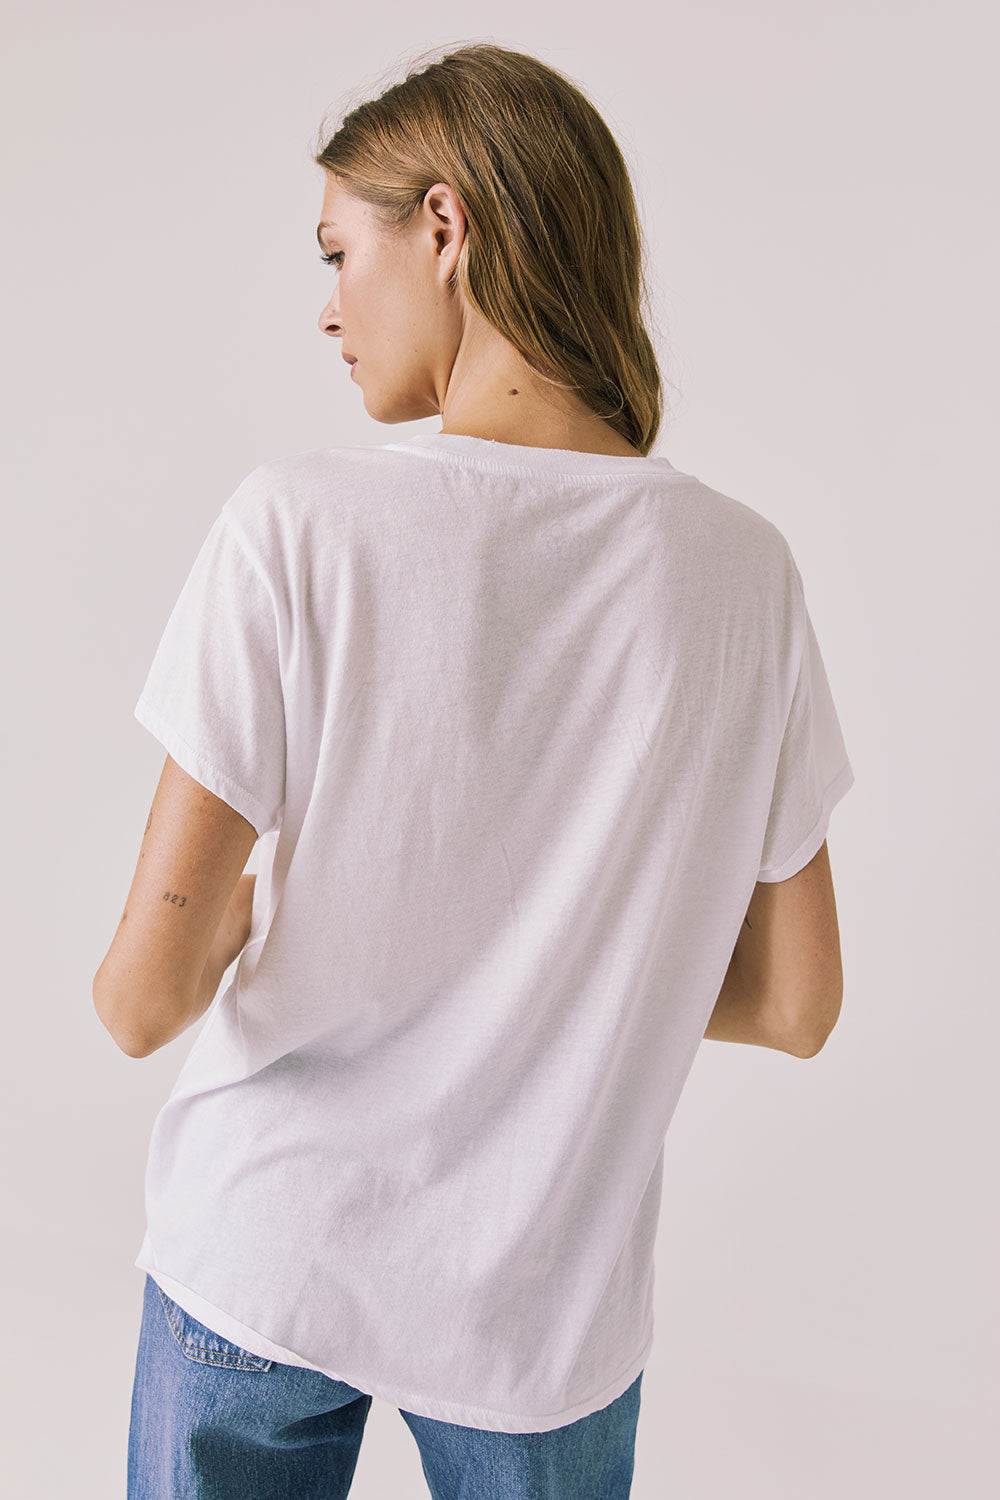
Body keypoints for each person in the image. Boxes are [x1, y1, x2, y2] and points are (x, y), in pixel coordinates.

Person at [97, 41, 855, 1500]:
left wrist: (274, 924)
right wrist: (570, 981)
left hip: (267, 1259)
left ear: (444, 227)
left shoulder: (299, 526)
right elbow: (797, 1003)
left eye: (340, 251)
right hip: (541, 1310)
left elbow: (138, 1002)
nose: (328, 307)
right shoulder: (744, 574)